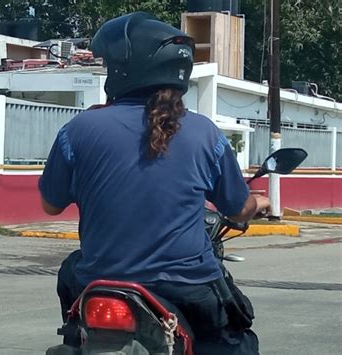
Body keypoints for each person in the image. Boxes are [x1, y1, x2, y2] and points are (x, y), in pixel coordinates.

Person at [39, 12, 270, 355]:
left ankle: (77, 336)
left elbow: (50, 204)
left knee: (71, 270)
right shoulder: (204, 132)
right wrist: (258, 203)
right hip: (188, 286)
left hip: (101, 281)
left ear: (122, 72)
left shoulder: (79, 129)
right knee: (236, 339)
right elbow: (237, 208)